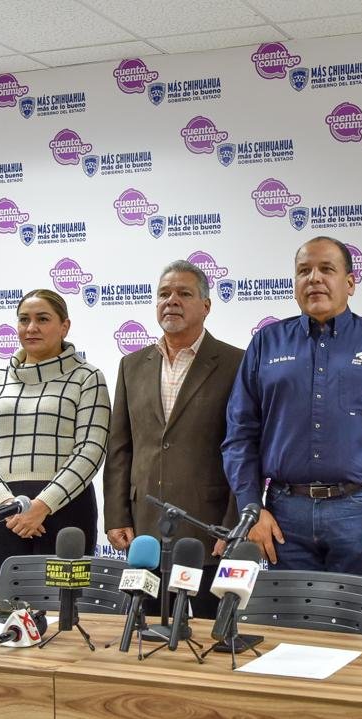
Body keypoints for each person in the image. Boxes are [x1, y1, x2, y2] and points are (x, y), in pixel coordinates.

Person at [222, 236, 362, 634]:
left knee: (356, 627)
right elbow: (239, 433)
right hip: (285, 513)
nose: (314, 279)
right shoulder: (267, 343)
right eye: (304, 271)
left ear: (350, 282)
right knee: (292, 629)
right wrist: (251, 507)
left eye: (326, 270)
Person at [103, 260, 243, 619]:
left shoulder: (235, 363)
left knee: (211, 635)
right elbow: (120, 448)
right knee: (146, 633)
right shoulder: (131, 365)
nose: (172, 301)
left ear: (206, 306)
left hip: (209, 529)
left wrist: (233, 523)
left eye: (184, 293)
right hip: (145, 531)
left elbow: (244, 449)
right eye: (164, 294)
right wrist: (116, 515)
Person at [0, 288, 111, 596]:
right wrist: (6, 505)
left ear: (64, 326)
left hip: (65, 510)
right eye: (24, 319)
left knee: (66, 610)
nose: (31, 328)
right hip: (3, 514)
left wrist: (42, 506)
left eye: (42, 319)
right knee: (10, 609)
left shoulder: (87, 377)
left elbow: (91, 448)